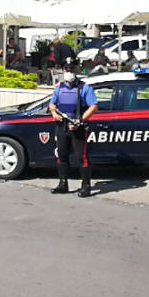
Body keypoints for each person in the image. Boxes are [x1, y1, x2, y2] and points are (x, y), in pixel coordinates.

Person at [47, 58, 99, 198]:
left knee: (81, 157)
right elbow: (52, 105)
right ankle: (63, 184)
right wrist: (53, 113)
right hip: (62, 126)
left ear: (76, 70)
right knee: (61, 155)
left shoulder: (84, 88)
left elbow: (93, 106)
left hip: (78, 128)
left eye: (71, 69)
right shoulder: (59, 88)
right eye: (66, 69)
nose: (69, 72)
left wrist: (80, 120)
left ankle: (86, 186)